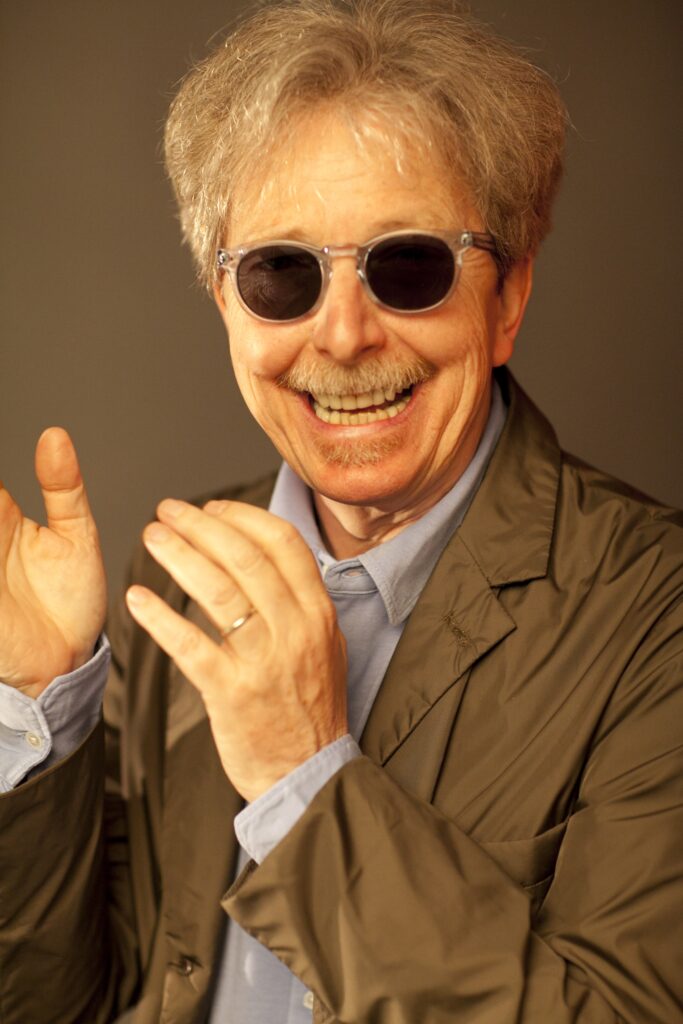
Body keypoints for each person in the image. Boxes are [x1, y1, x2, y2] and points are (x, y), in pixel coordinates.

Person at [0, 1, 681, 1021]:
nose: (344, 334)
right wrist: (42, 716)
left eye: (408, 267)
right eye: (282, 274)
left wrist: (304, 780)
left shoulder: (655, 617)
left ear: (506, 299)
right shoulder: (181, 585)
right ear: (224, 304)